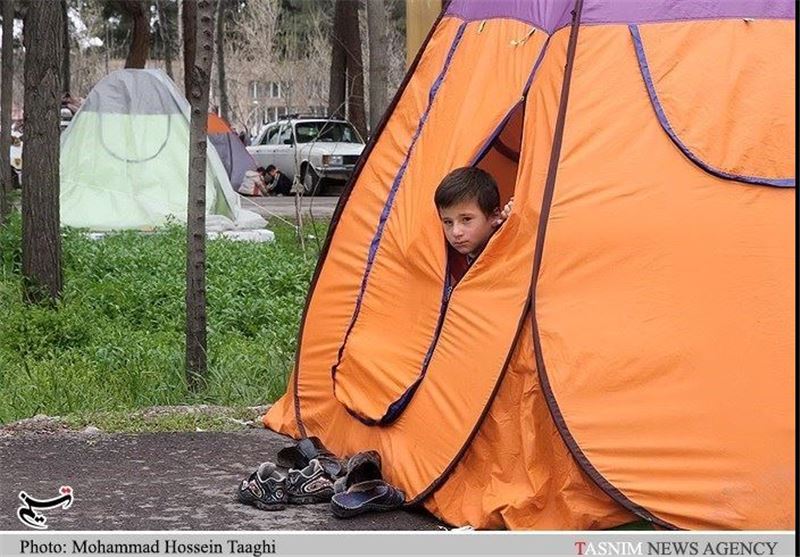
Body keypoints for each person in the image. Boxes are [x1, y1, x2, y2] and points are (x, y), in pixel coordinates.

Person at [434, 167, 513, 286]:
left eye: (466, 219)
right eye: (448, 222)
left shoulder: (511, 246)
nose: (456, 232)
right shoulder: (446, 256)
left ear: (495, 216)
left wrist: (518, 220)